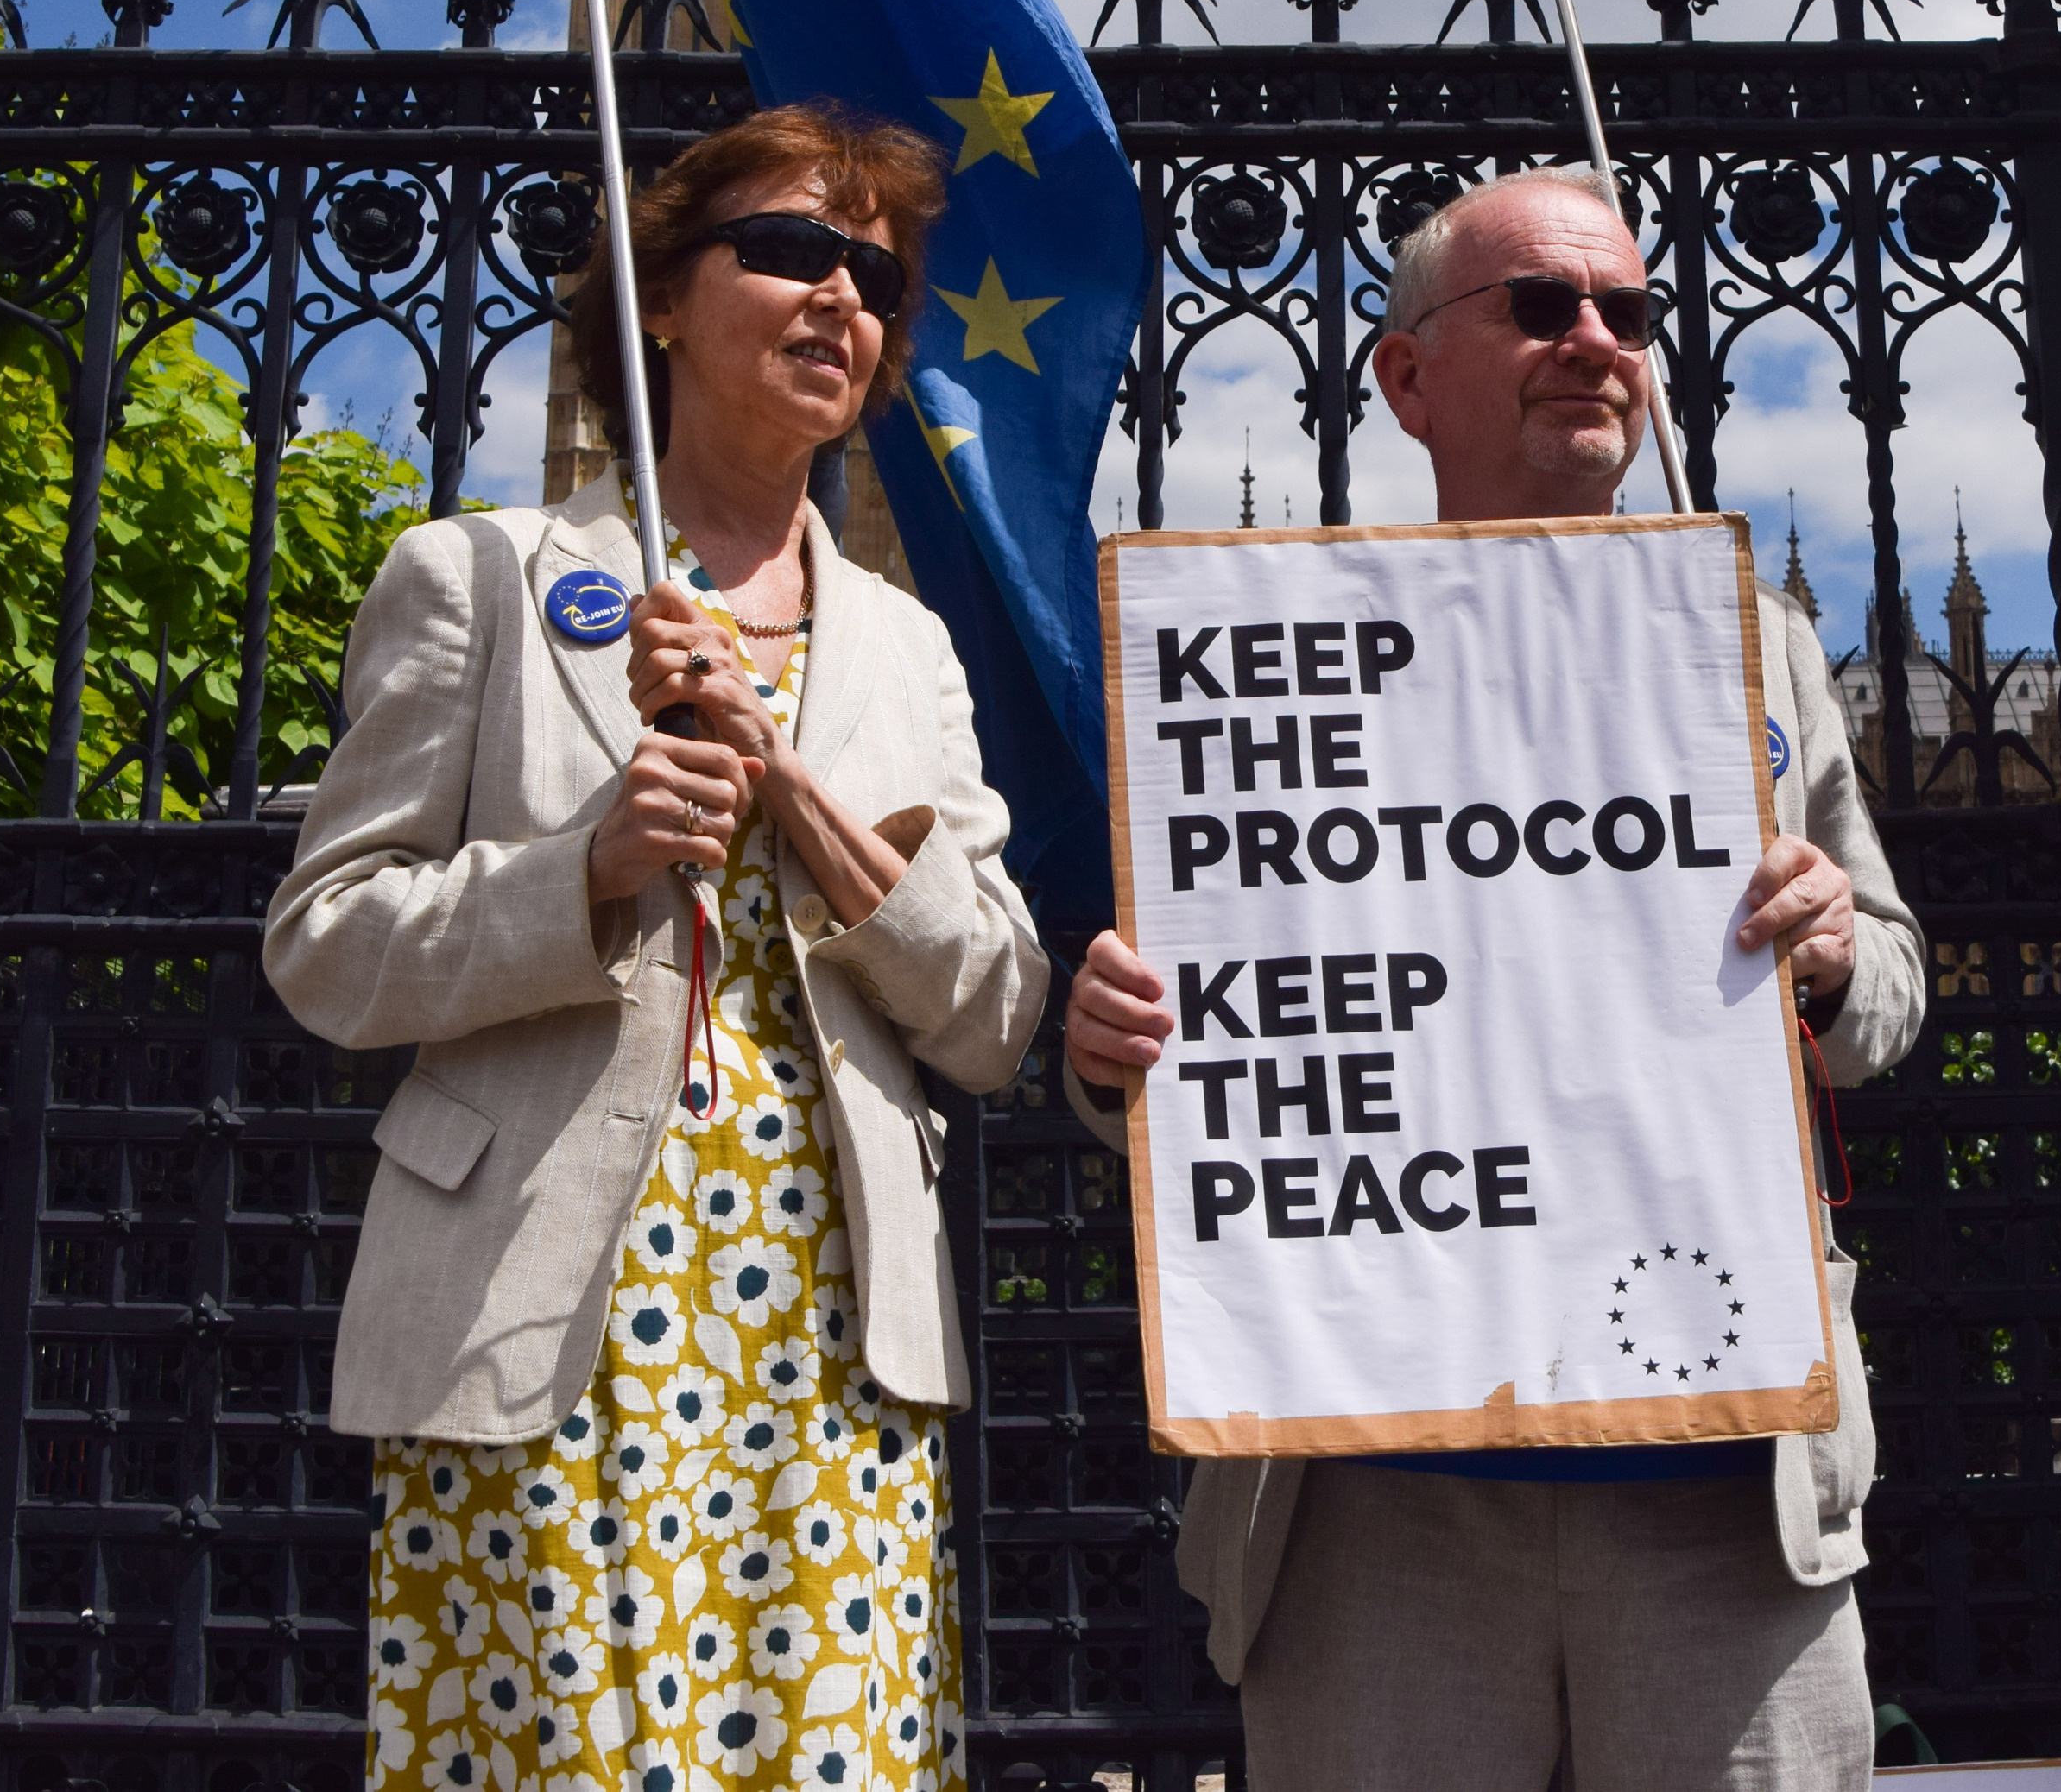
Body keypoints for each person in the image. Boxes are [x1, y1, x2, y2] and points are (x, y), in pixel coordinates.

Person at [1068, 164, 1926, 1786]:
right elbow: (1192, 1060)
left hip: (1722, 1503)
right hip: (1376, 1510)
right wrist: (1114, 1044)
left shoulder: (1762, 642)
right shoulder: (1265, 664)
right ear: (1405, 376)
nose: (1593, 340)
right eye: (1540, 305)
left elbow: (1888, 989)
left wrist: (1827, 959)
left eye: (1629, 312)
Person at [266, 104, 1050, 1792]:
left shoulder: (909, 649)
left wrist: (817, 823)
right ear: (662, 297)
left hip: (826, 1334)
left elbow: (994, 1012)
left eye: (876, 272)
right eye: (787, 247)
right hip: (540, 1306)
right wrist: (588, 867)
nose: (841, 292)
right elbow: (326, 945)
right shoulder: (476, 579)